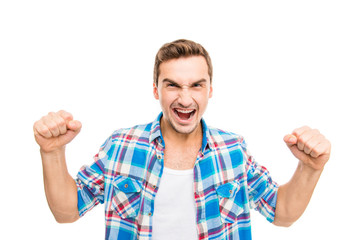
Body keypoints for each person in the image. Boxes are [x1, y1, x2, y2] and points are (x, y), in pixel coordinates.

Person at [33, 39, 331, 240]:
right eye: (172, 85)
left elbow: (282, 214)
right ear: (156, 90)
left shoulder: (233, 150)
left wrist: (310, 168)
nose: (185, 98)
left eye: (196, 85)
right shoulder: (121, 146)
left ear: (209, 90)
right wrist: (53, 152)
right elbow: (66, 212)